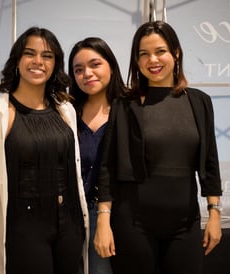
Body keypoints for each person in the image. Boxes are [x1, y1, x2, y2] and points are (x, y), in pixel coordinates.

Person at [94, 20, 223, 274]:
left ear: (176, 53)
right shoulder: (124, 105)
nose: (152, 60)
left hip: (185, 224)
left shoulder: (200, 102)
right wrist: (103, 219)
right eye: (144, 54)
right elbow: (107, 166)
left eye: (160, 51)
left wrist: (215, 212)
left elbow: (210, 161)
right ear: (137, 60)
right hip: (133, 224)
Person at [0, 26, 89, 274]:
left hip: (70, 224)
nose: (38, 62)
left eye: (47, 56)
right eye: (30, 53)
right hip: (24, 228)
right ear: (17, 61)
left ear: (55, 63)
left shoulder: (65, 110)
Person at [68, 37, 127, 274]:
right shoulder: (68, 112)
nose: (87, 74)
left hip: (119, 213)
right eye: (78, 70)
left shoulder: (129, 109)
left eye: (95, 65)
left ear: (111, 65)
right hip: (74, 214)